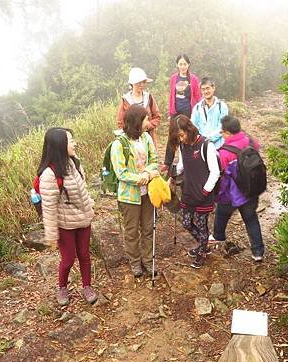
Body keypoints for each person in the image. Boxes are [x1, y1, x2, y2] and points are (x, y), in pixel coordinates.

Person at [38, 127, 98, 306]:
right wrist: (51, 235)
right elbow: (48, 207)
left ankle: (87, 286)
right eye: (70, 140)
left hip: (83, 219)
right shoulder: (49, 174)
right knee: (69, 258)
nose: (74, 143)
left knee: (85, 255)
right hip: (65, 224)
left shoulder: (75, 163)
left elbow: (83, 190)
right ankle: (62, 287)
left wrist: (90, 206)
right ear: (60, 145)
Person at [111, 104, 160, 277]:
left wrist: (147, 173)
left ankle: (148, 261)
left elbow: (154, 159)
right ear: (137, 121)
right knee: (131, 232)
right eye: (146, 118)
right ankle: (135, 263)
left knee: (148, 228)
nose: (148, 121)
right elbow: (121, 172)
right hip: (129, 196)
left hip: (148, 193)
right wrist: (140, 178)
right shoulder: (119, 144)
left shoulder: (146, 138)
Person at [211, 115, 265, 261]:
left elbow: (222, 176)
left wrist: (218, 195)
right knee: (251, 219)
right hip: (251, 189)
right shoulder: (250, 140)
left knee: (221, 214)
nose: (221, 135)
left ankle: (218, 237)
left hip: (232, 194)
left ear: (228, 133)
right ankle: (258, 251)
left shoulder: (224, 152)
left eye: (222, 132)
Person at [169, 115, 220, 269]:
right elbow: (181, 166)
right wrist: (171, 174)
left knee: (202, 225)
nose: (181, 139)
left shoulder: (206, 145)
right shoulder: (184, 146)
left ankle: (202, 252)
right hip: (189, 191)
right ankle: (204, 245)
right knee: (186, 222)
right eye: (178, 137)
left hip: (204, 194)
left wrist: (205, 191)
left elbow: (215, 172)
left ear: (189, 129)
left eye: (182, 135)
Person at [162, 54, 202, 171]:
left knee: (187, 135)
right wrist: (170, 112)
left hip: (188, 111)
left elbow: (197, 96)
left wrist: (198, 111)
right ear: (177, 65)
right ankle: (167, 162)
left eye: (185, 64)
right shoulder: (174, 78)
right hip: (176, 110)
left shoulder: (193, 79)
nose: (183, 66)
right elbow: (171, 95)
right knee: (172, 135)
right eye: (180, 64)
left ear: (188, 65)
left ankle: (186, 161)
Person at [117, 67, 161, 145]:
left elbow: (157, 117)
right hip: (132, 140)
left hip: (148, 138)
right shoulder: (125, 100)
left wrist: (147, 126)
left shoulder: (149, 97)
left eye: (143, 82)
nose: (141, 85)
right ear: (132, 84)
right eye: (138, 82)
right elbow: (121, 122)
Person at [190, 77, 229, 150]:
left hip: (219, 147)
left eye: (208, 88)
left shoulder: (222, 106)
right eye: (203, 89)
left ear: (213, 88)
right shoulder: (197, 108)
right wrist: (201, 140)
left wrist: (209, 138)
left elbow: (223, 126)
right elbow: (193, 126)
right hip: (202, 147)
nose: (206, 91)